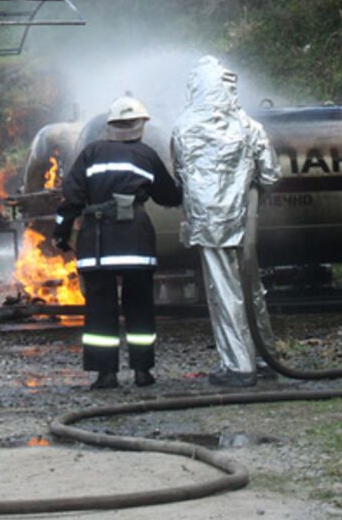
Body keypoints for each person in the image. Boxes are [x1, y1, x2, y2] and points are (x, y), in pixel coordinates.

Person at [55, 96, 182, 390]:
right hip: (135, 242)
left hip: (97, 244)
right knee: (140, 305)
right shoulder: (146, 156)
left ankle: (106, 375)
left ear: (110, 126)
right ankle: (142, 372)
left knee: (100, 309)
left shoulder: (90, 154)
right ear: (141, 127)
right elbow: (168, 196)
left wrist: (60, 233)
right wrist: (184, 185)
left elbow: (70, 198)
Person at [170, 56, 282, 388]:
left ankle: (238, 366)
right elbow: (271, 174)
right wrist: (249, 195)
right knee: (252, 290)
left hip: (208, 225)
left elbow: (180, 175)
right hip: (244, 223)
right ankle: (263, 358)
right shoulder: (248, 126)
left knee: (224, 293)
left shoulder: (183, 126)